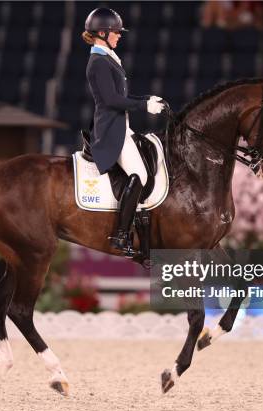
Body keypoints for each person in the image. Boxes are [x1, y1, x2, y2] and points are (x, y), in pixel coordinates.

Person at [82, 7, 166, 255]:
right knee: (139, 174)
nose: (119, 36)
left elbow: (122, 97)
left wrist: (148, 98)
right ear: (102, 32)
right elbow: (110, 100)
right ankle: (120, 234)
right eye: (116, 32)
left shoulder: (107, 57)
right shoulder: (98, 62)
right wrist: (143, 106)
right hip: (110, 130)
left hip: (121, 126)